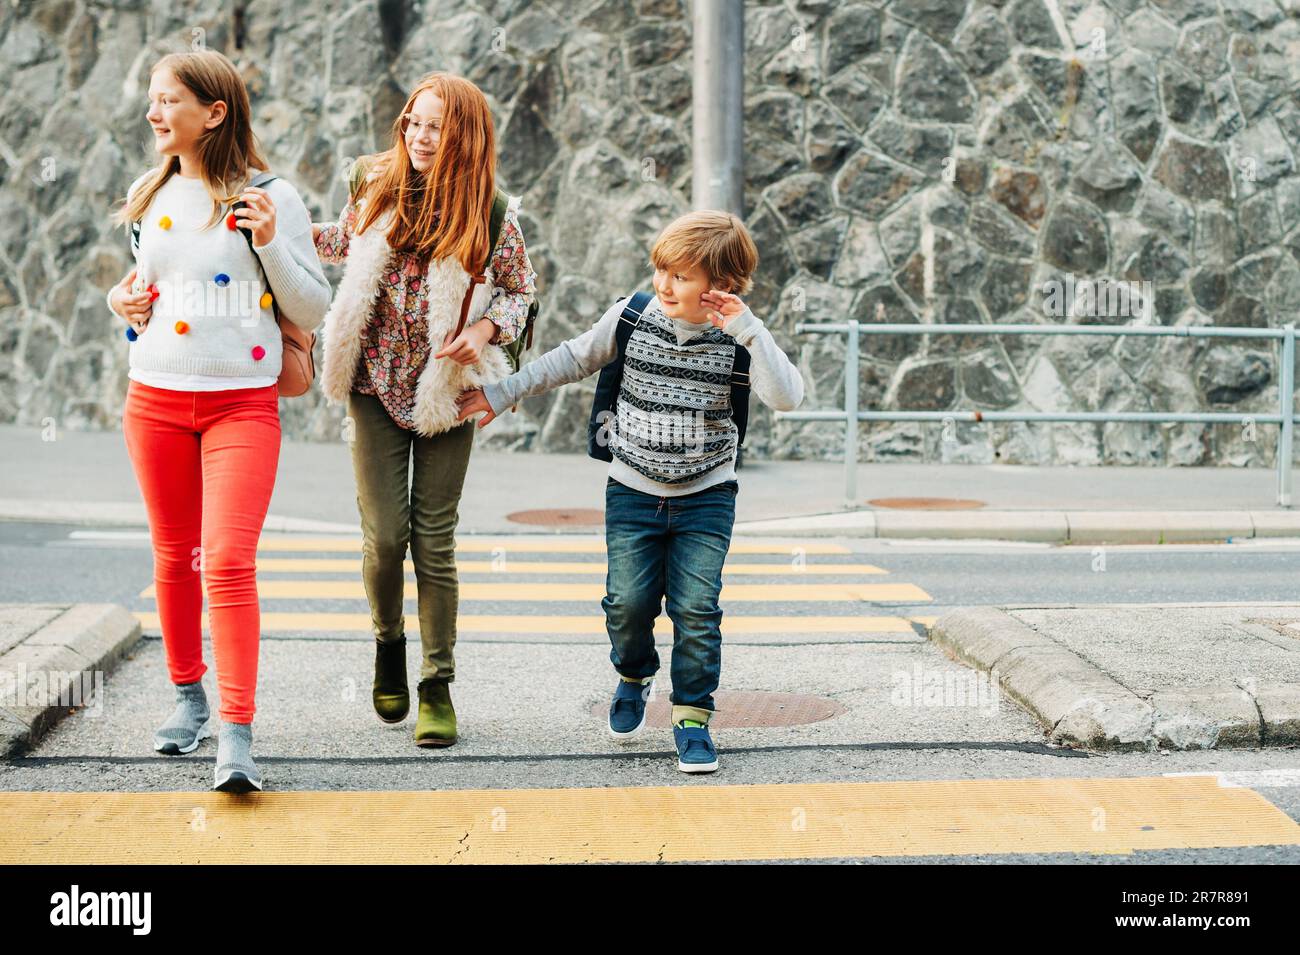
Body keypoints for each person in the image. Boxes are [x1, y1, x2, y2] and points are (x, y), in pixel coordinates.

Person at [455, 210, 803, 772]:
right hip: (632, 490)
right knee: (627, 604)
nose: (665, 284)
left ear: (722, 287)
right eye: (662, 270)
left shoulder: (741, 340)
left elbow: (787, 397)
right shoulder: (634, 317)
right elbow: (571, 358)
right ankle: (634, 672)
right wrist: (501, 392)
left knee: (697, 609)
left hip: (707, 495)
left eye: (682, 276)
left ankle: (691, 716)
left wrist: (750, 330)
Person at [106, 50, 330, 792]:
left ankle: (236, 732)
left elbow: (314, 308)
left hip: (242, 401)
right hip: (157, 399)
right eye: (152, 99)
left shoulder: (271, 198)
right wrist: (122, 305)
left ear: (215, 112)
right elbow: (148, 290)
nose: (154, 113)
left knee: (227, 558)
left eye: (169, 100)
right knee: (175, 557)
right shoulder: (151, 192)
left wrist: (268, 242)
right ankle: (187, 696)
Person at [312, 71, 536, 747]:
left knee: (433, 539)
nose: (420, 135)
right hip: (374, 382)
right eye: (413, 121)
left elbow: (520, 293)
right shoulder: (372, 183)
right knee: (385, 538)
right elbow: (342, 243)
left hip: (446, 389)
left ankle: (437, 684)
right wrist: (278, 229)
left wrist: (487, 331)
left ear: (464, 134)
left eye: (436, 125)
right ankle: (388, 642)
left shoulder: (490, 212)